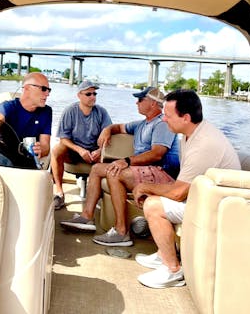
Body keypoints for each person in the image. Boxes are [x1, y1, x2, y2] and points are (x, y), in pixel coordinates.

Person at [133, 89, 240, 289]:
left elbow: (178, 192)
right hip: (203, 199)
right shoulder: (189, 135)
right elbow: (183, 186)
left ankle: (173, 270)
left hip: (219, 210)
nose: (164, 119)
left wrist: (146, 186)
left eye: (168, 115)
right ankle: (162, 256)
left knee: (154, 206)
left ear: (186, 117)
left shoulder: (204, 144)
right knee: (155, 199)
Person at [60, 86, 179, 247]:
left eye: (140, 99)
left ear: (152, 103)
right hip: (145, 170)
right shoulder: (142, 124)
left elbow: (157, 154)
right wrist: (107, 130)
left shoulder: (162, 124)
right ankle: (87, 217)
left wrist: (126, 161)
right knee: (97, 169)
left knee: (114, 173)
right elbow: (118, 127)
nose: (136, 103)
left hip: (162, 173)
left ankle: (122, 232)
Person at [51, 80, 112, 210]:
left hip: (95, 153)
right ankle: (59, 193)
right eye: (88, 94)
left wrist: (101, 150)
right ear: (79, 95)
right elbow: (63, 138)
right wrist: (80, 150)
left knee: (112, 157)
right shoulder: (70, 111)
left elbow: (109, 135)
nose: (93, 97)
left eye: (94, 94)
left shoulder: (101, 112)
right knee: (56, 150)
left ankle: (101, 196)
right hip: (74, 151)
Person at [0, 72, 52, 163]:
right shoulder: (8, 106)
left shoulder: (46, 112)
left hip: (27, 159)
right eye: (44, 89)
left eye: (49, 90)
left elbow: (45, 145)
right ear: (27, 88)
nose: (47, 94)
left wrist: (40, 150)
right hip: (3, 157)